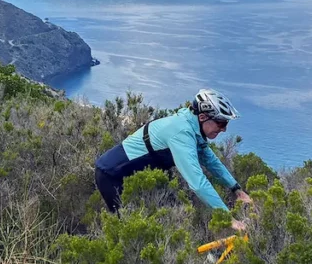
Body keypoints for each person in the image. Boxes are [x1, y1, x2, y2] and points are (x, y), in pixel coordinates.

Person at [94, 88, 252, 230]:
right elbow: (197, 183)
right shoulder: (181, 132)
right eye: (221, 122)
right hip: (111, 175)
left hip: (135, 176)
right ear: (203, 116)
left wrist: (236, 190)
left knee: (166, 222)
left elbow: (211, 162)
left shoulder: (193, 128)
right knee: (131, 231)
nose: (224, 129)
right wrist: (227, 218)